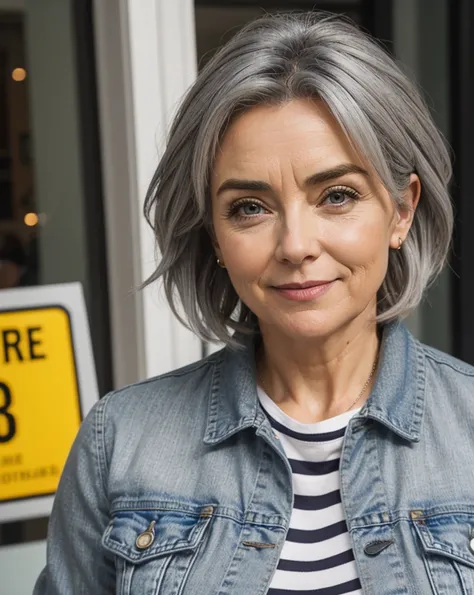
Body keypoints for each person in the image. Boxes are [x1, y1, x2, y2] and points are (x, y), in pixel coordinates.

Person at [34, 11, 474, 595]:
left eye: (336, 196)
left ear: (400, 210)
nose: (295, 246)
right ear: (214, 235)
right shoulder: (120, 443)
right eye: (250, 207)